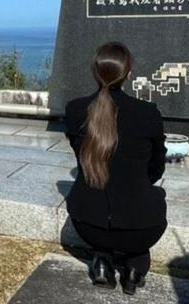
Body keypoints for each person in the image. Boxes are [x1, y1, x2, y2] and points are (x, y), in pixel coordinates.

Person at [64, 42, 167, 295]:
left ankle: (102, 262)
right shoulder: (148, 113)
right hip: (141, 229)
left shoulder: (75, 110)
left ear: (94, 72)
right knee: (153, 201)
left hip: (88, 227)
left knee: (101, 209)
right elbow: (156, 169)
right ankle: (134, 269)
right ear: (129, 73)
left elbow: (80, 157)